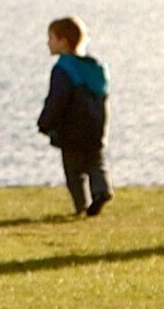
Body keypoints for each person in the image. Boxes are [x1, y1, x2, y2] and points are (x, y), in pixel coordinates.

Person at [35, 15, 111, 216]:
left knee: (74, 172)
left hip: (71, 130)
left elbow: (57, 100)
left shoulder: (63, 69)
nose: (47, 43)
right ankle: (102, 190)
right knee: (96, 164)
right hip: (95, 128)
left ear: (63, 42)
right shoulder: (95, 67)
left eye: (51, 38)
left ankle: (81, 206)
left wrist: (45, 123)